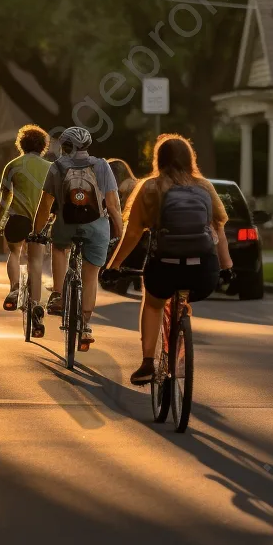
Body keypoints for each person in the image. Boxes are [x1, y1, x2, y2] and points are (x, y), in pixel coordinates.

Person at [105, 133, 233, 385]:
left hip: (163, 269)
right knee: (184, 296)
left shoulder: (150, 187)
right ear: (190, 158)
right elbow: (219, 229)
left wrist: (114, 266)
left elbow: (132, 234)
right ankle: (182, 337)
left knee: (153, 303)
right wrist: (227, 267)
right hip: (202, 272)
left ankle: (147, 363)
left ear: (158, 159)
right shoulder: (204, 186)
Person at [33, 126, 123, 351]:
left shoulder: (57, 167)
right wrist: (120, 233)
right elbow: (112, 205)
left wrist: (36, 231)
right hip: (97, 228)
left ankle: (60, 294)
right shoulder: (102, 166)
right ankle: (85, 326)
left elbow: (45, 205)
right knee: (91, 276)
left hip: (66, 225)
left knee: (59, 248)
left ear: (64, 147)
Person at [0, 124, 54, 337]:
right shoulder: (51, 168)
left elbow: (5, 199)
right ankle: (37, 310)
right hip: (40, 222)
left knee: (14, 253)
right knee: (36, 262)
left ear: (21, 144)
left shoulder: (12, 165)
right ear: (43, 146)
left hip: (18, 220)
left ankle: (14, 288)